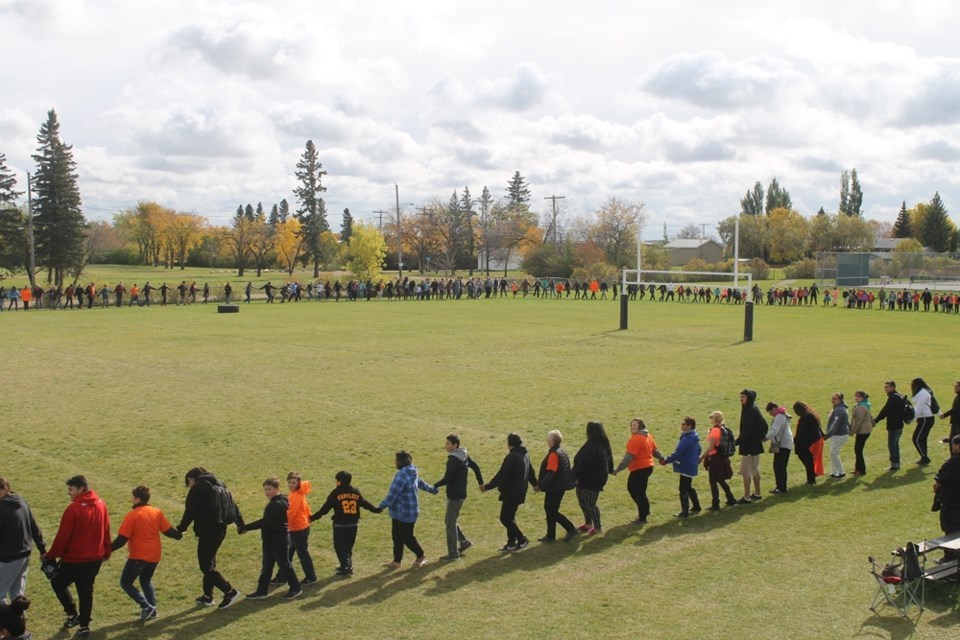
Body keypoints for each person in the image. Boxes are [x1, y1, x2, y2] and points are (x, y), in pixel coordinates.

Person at [44, 476, 111, 639]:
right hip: (95, 559)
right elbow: (106, 529)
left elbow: (62, 536)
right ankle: (84, 626)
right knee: (86, 591)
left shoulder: (73, 509)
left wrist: (51, 555)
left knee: (57, 582)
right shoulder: (101, 504)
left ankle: (72, 613)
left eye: (71, 490)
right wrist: (106, 551)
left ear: (81, 489)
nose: (69, 493)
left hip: (74, 560)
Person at [111, 485, 182, 622]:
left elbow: (121, 540)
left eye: (132, 497)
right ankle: (153, 609)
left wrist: (106, 550)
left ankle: (146, 606)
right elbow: (168, 531)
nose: (131, 499)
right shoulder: (156, 511)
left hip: (138, 556)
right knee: (145, 580)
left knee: (125, 583)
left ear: (137, 498)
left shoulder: (132, 515)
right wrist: (179, 535)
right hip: (155, 555)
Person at [176, 467, 242, 610]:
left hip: (208, 530)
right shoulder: (219, 483)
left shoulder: (198, 488)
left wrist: (181, 529)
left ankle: (229, 591)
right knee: (210, 562)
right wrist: (240, 522)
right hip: (220, 528)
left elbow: (190, 511)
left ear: (191, 479)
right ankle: (207, 596)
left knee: (206, 566)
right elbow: (232, 504)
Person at [239, 478, 302, 601]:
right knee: (267, 565)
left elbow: (265, 522)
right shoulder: (283, 499)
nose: (267, 492)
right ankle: (262, 590)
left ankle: (295, 588)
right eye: (265, 489)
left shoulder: (275, 505)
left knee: (284, 564)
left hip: (277, 539)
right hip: (274, 538)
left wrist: (245, 527)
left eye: (269, 489)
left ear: (277, 489)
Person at [310, 471, 381, 575]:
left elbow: (325, 509)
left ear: (339, 482)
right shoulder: (355, 491)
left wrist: (312, 518)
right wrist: (376, 509)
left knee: (339, 546)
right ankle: (348, 564)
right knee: (348, 546)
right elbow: (365, 503)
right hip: (353, 524)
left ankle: (346, 566)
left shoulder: (336, 493)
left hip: (340, 525)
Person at [378, 451, 437, 569]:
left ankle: (421, 556)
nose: (394, 462)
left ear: (401, 462)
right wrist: (432, 490)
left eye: (396, 460)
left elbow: (393, 493)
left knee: (407, 537)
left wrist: (381, 506)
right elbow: (420, 483)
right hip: (403, 512)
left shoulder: (401, 475)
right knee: (397, 536)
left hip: (404, 512)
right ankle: (396, 561)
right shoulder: (412, 472)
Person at [481, 433, 535, 552]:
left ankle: (521, 538)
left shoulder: (512, 457)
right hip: (520, 490)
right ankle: (511, 542)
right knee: (510, 517)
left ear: (509, 444)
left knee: (505, 518)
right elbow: (531, 471)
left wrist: (487, 487)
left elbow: (502, 475)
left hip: (512, 491)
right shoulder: (525, 454)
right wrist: (535, 484)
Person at [433, 435, 484, 560]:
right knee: (450, 521)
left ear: (455, 445)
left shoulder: (452, 460)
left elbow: (447, 478)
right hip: (461, 494)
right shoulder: (464, 455)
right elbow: (476, 467)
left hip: (454, 496)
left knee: (450, 524)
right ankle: (464, 542)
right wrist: (480, 483)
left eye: (448, 444)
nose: (446, 446)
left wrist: (435, 485)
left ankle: (453, 553)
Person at [0, 479, 45, 603]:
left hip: (8, 557)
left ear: (5, 489)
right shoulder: (21, 501)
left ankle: (4, 622)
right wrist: (42, 549)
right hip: (24, 554)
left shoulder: (2, 508)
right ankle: (19, 622)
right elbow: (34, 526)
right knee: (18, 597)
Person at [611, 418, 662, 524]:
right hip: (647, 467)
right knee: (635, 490)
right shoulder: (648, 436)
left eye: (635, 425)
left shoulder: (636, 439)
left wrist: (618, 469)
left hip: (640, 468)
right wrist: (662, 459)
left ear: (640, 426)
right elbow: (655, 451)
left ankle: (643, 517)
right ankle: (645, 511)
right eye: (631, 425)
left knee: (638, 492)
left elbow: (629, 457)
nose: (632, 427)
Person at [272, 472, 316, 585]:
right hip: (300, 527)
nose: (291, 485)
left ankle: (310, 577)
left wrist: (279, 521)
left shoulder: (295, 496)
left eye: (293, 482)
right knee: (289, 553)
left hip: (297, 529)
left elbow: (291, 514)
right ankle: (282, 576)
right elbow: (306, 509)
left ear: (298, 483)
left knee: (300, 553)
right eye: (289, 482)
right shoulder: (297, 493)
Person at [534, 430, 578, 543]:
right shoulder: (561, 452)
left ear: (552, 441)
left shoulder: (553, 454)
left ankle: (570, 528)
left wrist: (540, 485)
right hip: (560, 486)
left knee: (551, 510)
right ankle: (550, 535)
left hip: (555, 488)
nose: (547, 440)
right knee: (550, 509)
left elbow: (551, 472)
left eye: (548, 439)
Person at [572, 421, 613, 535]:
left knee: (589, 503)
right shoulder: (604, 444)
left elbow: (584, 464)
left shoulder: (592, 446)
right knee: (583, 501)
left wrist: (574, 474)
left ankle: (598, 527)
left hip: (590, 480)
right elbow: (609, 460)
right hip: (596, 478)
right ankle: (588, 523)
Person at [659, 417, 702, 517]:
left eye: (683, 424)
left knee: (683, 488)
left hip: (686, 465)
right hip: (691, 464)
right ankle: (696, 506)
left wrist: (666, 461)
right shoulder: (694, 436)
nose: (681, 425)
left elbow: (677, 453)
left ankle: (685, 511)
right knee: (688, 486)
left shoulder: (687, 438)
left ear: (689, 426)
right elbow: (699, 449)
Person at [699, 411, 737, 509]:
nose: (710, 418)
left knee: (713, 481)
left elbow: (711, 447)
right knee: (720, 480)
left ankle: (715, 504)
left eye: (711, 417)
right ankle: (731, 498)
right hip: (722, 457)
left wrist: (702, 457)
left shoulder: (715, 430)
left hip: (715, 459)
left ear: (715, 419)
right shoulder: (723, 428)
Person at [736, 389, 768, 503]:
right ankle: (758, 493)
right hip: (755, 446)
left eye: (743, 397)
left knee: (746, 472)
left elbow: (747, 431)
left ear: (748, 398)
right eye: (740, 397)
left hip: (748, 446)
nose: (741, 399)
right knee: (755, 470)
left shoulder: (750, 410)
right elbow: (764, 425)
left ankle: (747, 497)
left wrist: (737, 442)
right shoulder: (754, 408)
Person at [933, 435, 960, 560]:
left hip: (952, 504)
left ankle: (950, 559)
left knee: (950, 532)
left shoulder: (953, 462)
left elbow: (939, 483)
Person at [874, 380, 907, 471]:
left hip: (894, 425)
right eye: (885, 387)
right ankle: (896, 463)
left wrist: (876, 420)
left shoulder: (893, 398)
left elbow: (885, 410)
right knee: (895, 444)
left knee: (892, 445)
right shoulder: (899, 396)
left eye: (887, 387)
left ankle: (895, 464)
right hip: (899, 424)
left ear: (893, 387)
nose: (886, 389)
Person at [764, 402, 794, 494]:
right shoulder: (782, 415)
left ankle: (781, 487)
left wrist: (766, 438)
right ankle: (781, 487)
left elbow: (775, 430)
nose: (770, 414)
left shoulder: (779, 417)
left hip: (782, 444)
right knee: (779, 466)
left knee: (779, 466)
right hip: (783, 443)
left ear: (773, 409)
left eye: (770, 412)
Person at [792, 401, 824, 484]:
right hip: (816, 439)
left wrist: (794, 441)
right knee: (808, 460)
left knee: (806, 459)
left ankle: (811, 478)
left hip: (811, 442)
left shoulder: (805, 418)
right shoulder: (811, 414)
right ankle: (812, 476)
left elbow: (801, 432)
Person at [824, 392, 850, 478]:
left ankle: (841, 472)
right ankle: (835, 472)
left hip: (840, 435)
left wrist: (827, 435)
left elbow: (835, 424)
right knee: (832, 453)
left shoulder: (839, 410)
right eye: (832, 398)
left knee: (833, 453)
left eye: (835, 399)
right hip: (836, 434)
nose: (833, 400)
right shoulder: (838, 408)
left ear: (840, 400)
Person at [911, 377, 936, 465]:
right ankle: (924, 456)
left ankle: (925, 457)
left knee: (916, 439)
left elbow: (919, 409)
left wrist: (911, 420)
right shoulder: (926, 391)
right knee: (922, 439)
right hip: (927, 418)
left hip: (925, 418)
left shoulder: (922, 393)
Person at [850, 390, 875, 476]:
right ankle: (858, 469)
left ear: (862, 397)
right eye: (855, 396)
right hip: (865, 430)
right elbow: (871, 417)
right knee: (858, 450)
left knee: (858, 450)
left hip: (862, 431)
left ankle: (861, 470)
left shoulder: (860, 407)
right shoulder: (865, 405)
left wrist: (852, 432)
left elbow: (858, 422)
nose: (856, 398)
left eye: (858, 396)